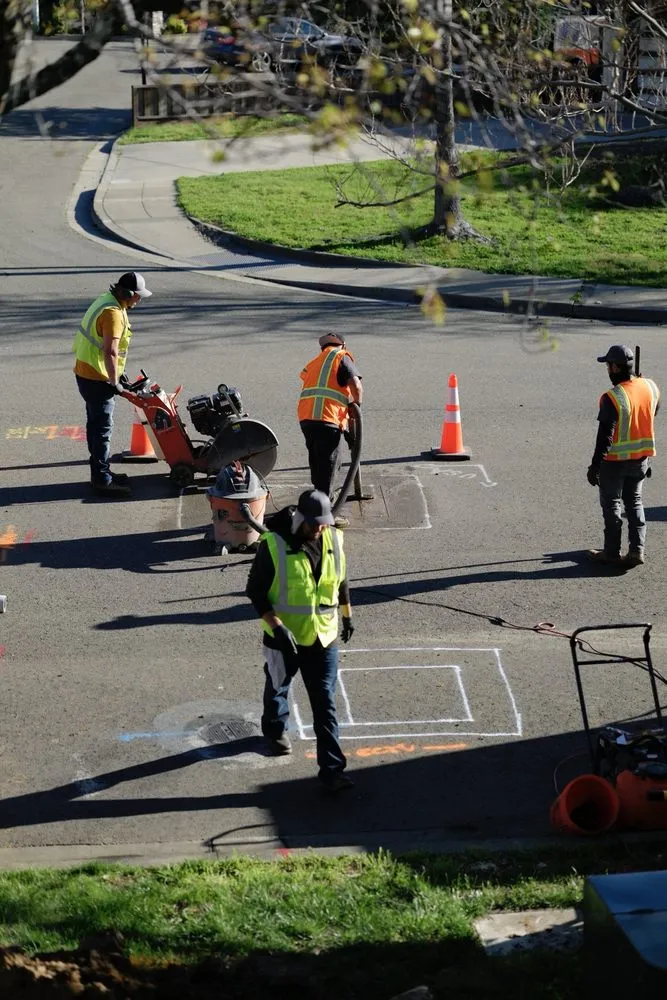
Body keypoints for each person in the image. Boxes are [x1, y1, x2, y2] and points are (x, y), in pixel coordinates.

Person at [246, 489, 355, 792]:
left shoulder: (333, 538)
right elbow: (255, 591)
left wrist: (347, 616)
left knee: (325, 705)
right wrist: (277, 626)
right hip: (284, 639)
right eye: (316, 523)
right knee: (278, 687)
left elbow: (341, 580)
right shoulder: (274, 544)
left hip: (324, 637)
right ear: (301, 519)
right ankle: (274, 728)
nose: (321, 529)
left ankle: (333, 771)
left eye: (324, 523)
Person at [72, 272, 152, 497]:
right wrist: (114, 380)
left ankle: (101, 471)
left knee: (95, 425)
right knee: (102, 428)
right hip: (97, 377)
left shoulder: (106, 300)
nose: (139, 300)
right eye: (138, 296)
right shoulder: (113, 314)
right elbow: (110, 351)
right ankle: (102, 479)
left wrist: (119, 374)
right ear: (127, 294)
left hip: (87, 372)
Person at [587, 344, 660, 568]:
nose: (607, 369)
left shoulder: (613, 397)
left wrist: (594, 467)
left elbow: (605, 438)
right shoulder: (650, 386)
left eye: (608, 365)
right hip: (640, 459)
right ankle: (637, 550)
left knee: (612, 505)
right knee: (634, 502)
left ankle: (612, 552)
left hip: (614, 463)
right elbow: (653, 410)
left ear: (616, 367)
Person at [297, 333, 363, 513]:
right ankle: (325, 514)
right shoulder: (341, 357)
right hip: (328, 419)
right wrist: (355, 407)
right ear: (343, 345)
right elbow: (356, 386)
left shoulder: (314, 362)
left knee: (318, 462)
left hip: (307, 419)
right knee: (330, 466)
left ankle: (316, 503)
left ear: (322, 348)